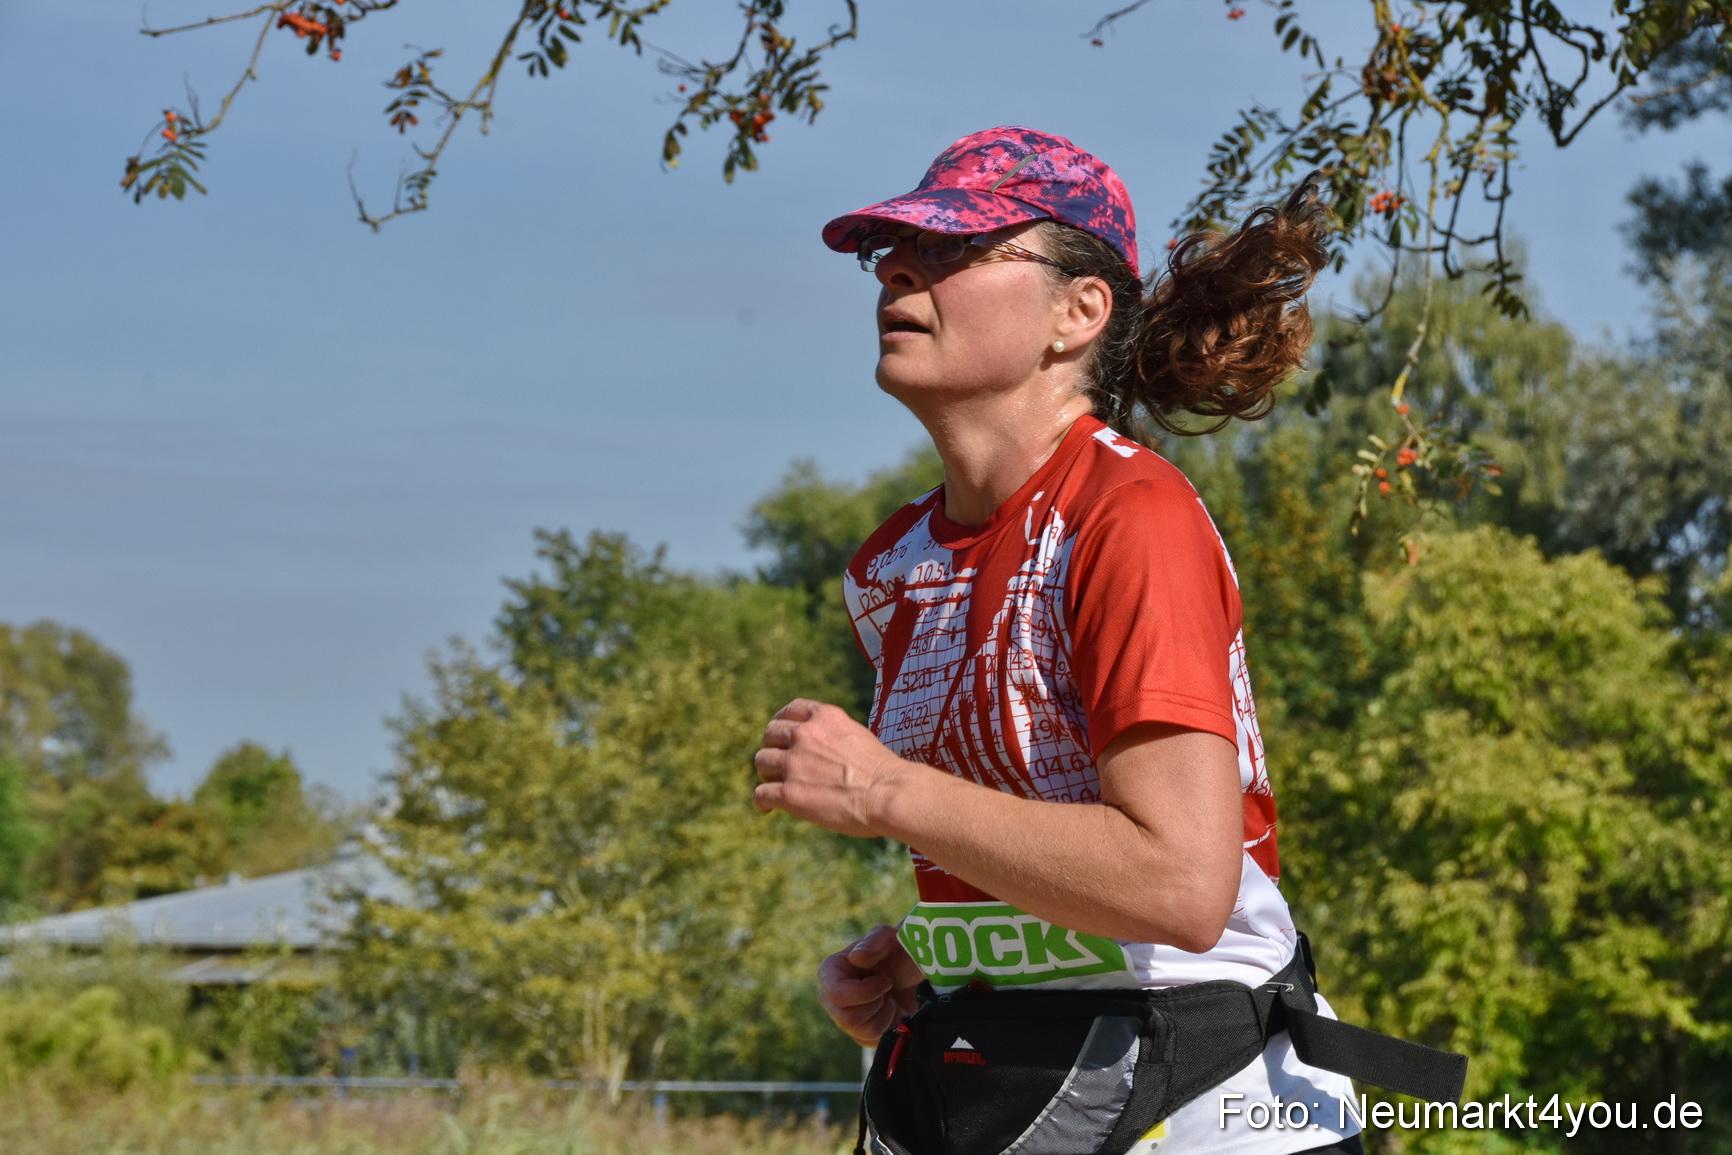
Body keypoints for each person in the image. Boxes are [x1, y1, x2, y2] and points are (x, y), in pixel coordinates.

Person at [751, 126, 1375, 1155]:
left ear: (1078, 313)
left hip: (1205, 1104)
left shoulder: (1129, 517)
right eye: (891, 252)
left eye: (956, 248)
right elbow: (1037, 835)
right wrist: (948, 954)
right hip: (1012, 1075)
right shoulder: (892, 564)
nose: (901, 268)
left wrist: (882, 793)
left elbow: (1179, 884)